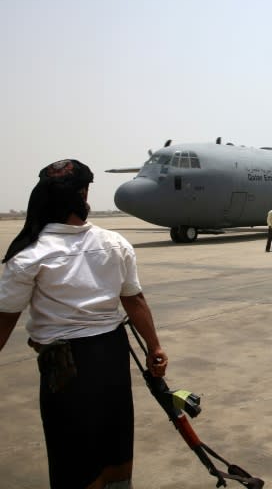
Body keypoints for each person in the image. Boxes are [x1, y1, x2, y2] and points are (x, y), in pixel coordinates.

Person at [0, 159, 169, 488]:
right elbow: (134, 301)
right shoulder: (115, 243)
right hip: (112, 357)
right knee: (115, 441)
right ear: (83, 195)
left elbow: (4, 321)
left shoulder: (29, 255)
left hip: (65, 368)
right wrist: (155, 347)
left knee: (71, 453)